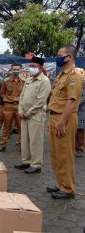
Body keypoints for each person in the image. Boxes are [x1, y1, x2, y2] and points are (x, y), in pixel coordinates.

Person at [47, 45, 83, 199]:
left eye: (60, 54)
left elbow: (72, 102)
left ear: (69, 57)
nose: (57, 56)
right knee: (56, 154)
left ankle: (68, 189)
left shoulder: (74, 75)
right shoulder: (61, 74)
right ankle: (60, 184)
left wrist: (61, 122)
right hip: (56, 117)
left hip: (65, 118)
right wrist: (52, 119)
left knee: (65, 154)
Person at [14, 57, 51, 174]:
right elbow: (22, 96)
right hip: (24, 114)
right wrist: (20, 110)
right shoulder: (29, 79)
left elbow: (40, 101)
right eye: (31, 66)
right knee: (25, 140)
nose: (31, 68)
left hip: (35, 116)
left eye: (34, 66)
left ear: (40, 68)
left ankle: (36, 165)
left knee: (35, 141)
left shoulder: (44, 81)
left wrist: (28, 113)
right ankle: (26, 162)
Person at [0, 63, 24, 152]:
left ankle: (21, 144)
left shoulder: (24, 81)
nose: (16, 71)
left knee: (21, 127)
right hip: (8, 106)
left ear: (20, 70)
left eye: (17, 69)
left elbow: (26, 94)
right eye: (14, 69)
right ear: (11, 70)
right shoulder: (5, 81)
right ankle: (3, 144)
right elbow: (2, 93)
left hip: (20, 106)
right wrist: (6, 99)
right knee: (6, 127)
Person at [75, 69, 85, 157]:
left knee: (80, 131)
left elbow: (82, 99)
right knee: (74, 130)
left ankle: (81, 149)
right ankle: (76, 147)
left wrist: (73, 103)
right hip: (74, 111)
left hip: (81, 112)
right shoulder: (77, 84)